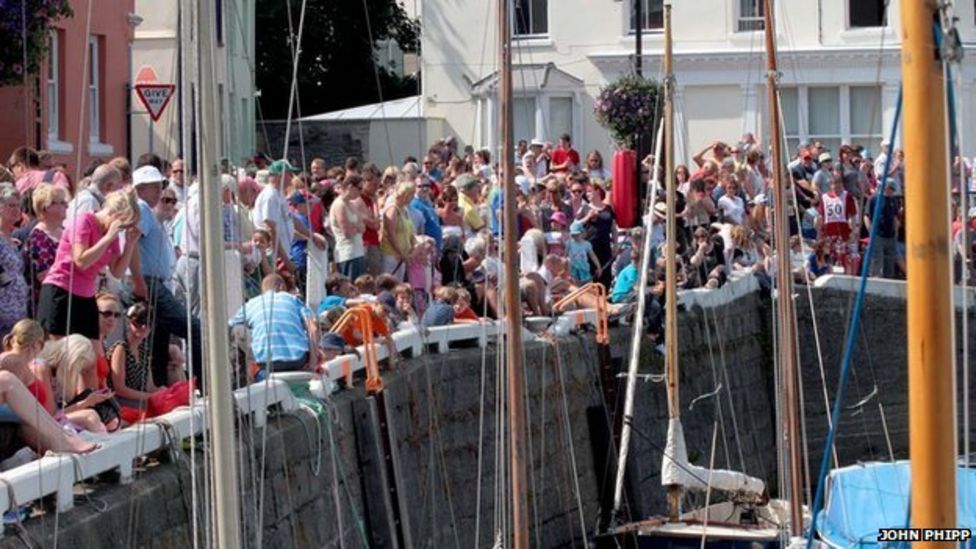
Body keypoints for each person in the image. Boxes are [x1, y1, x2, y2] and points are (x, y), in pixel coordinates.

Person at [129, 165, 202, 388]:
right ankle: (203, 386)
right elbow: (132, 240)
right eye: (155, 187)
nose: (159, 192)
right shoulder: (141, 209)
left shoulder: (147, 212)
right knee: (194, 328)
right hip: (149, 282)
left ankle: (160, 388)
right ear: (142, 188)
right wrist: (138, 280)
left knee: (158, 340)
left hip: (154, 282)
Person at [37, 190, 140, 339]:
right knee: (57, 350)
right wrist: (108, 238)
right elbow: (81, 261)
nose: (122, 230)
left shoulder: (110, 234)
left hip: (86, 293)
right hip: (62, 289)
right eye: (123, 225)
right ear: (114, 216)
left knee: (92, 352)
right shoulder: (84, 222)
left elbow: (117, 271)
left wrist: (130, 244)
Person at [229, 274, 318, 375]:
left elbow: (229, 325)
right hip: (298, 360)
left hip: (265, 362)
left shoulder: (251, 304)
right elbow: (313, 328)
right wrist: (313, 363)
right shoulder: (293, 299)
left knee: (236, 329)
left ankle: (243, 377)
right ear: (281, 286)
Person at [24, 184, 68, 314]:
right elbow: (44, 276)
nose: (66, 205)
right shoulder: (37, 238)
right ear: (45, 208)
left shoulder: (65, 232)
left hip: (68, 297)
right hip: (49, 302)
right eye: (60, 202)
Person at [108, 303, 159, 409]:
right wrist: (150, 396)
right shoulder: (121, 349)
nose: (144, 326)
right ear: (129, 323)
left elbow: (150, 386)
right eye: (139, 322)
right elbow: (119, 389)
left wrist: (163, 392)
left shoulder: (144, 350)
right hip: (120, 401)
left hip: (139, 399)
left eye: (148, 323)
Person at [252, 160, 299, 271]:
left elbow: (290, 217)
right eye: (289, 174)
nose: (292, 177)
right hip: (275, 258)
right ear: (280, 175)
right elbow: (271, 229)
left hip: (283, 254)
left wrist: (310, 235)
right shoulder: (270, 196)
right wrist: (286, 261)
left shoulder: (279, 193)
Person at [577, 185, 617, 289]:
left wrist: (615, 245)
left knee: (606, 276)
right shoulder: (585, 208)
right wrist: (588, 217)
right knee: (592, 277)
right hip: (591, 249)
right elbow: (576, 225)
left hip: (605, 247)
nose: (587, 194)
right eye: (587, 192)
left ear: (598, 191)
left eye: (590, 191)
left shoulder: (607, 208)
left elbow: (613, 228)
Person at [330, 174, 367, 279]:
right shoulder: (339, 205)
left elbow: (363, 228)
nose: (361, 192)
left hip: (358, 251)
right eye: (359, 188)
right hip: (347, 254)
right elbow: (348, 233)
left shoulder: (352, 204)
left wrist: (355, 226)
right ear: (350, 186)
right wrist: (357, 226)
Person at [380, 181, 417, 280]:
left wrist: (412, 248)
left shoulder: (405, 210)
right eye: (411, 195)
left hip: (403, 255)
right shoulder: (392, 210)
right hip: (392, 255)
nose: (413, 197)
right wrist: (400, 253)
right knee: (391, 281)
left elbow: (410, 232)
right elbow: (391, 234)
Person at [864, 182, 900, 278]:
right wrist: (871, 231)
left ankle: (889, 279)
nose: (891, 191)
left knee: (889, 261)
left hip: (890, 235)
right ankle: (874, 279)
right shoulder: (874, 199)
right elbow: (867, 216)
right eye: (889, 188)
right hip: (878, 235)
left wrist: (896, 232)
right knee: (877, 260)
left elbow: (895, 217)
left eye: (892, 189)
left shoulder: (893, 201)